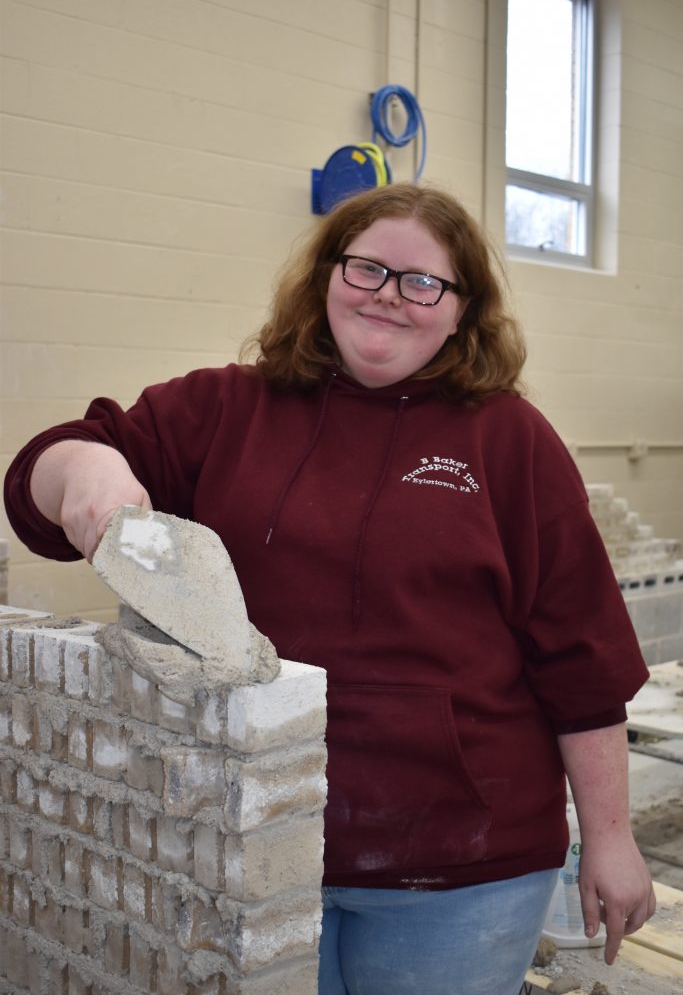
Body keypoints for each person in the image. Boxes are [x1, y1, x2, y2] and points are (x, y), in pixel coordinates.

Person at [4, 183, 655, 994]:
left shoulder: (510, 441)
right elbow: (47, 466)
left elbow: (581, 663)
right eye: (366, 269)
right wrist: (87, 476)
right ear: (324, 278)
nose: (388, 296)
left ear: (462, 312)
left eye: (423, 283)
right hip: (244, 844)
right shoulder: (224, 408)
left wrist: (610, 840)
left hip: (460, 870)